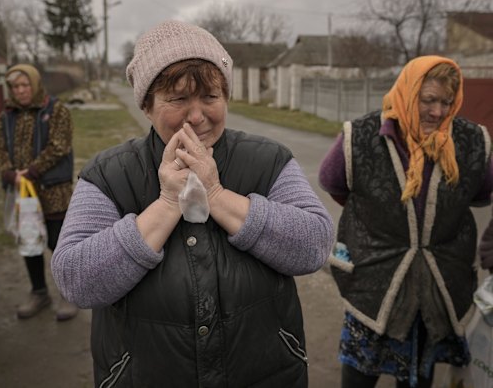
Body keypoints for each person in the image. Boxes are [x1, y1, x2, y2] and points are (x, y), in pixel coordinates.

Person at [51, 20, 334, 387]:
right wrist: (169, 201)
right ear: (147, 106)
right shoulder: (109, 175)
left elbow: (315, 245)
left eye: (210, 97)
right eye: (178, 98)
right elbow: (76, 280)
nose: (197, 116)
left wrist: (215, 195)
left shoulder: (268, 161)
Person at [319, 55, 493, 388]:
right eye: (428, 100)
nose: (438, 112)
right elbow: (333, 182)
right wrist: (377, 217)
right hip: (375, 282)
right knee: (359, 372)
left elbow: (480, 194)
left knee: (419, 373)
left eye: (446, 102)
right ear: (407, 94)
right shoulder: (361, 136)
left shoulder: (470, 142)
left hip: (437, 284)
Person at [0, 64, 78, 321]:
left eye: (25, 85)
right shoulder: (6, 116)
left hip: (53, 191)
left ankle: (69, 293)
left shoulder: (56, 110)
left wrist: (31, 171)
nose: (20, 91)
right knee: (30, 243)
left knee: (57, 242)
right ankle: (39, 292)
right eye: (16, 87)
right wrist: (9, 173)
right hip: (23, 193)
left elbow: (59, 145)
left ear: (35, 84)